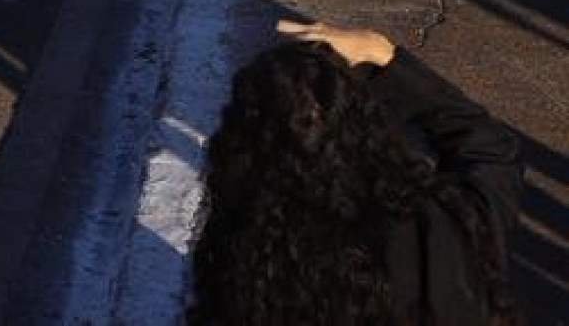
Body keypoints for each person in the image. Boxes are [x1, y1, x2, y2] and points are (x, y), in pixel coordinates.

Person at [188, 20, 524, 324]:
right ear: (367, 128)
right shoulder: (438, 225)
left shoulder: (248, 260)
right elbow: (491, 149)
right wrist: (385, 56)